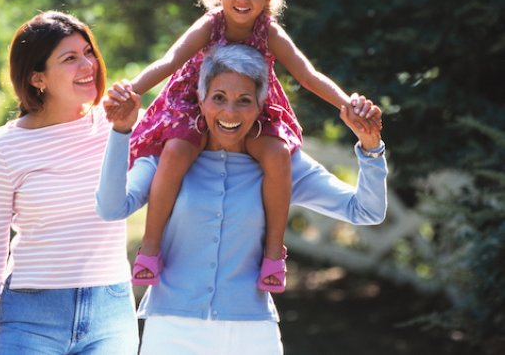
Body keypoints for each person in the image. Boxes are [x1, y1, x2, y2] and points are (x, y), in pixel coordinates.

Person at [107, 0, 380, 291]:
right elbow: (170, 60)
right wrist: (132, 91)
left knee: (279, 153)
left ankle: (273, 253)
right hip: (196, 102)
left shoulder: (269, 31)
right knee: (175, 150)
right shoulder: (210, 24)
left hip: (253, 106)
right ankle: (151, 245)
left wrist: (348, 104)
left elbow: (307, 75)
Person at [97, 43, 387, 355]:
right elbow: (112, 208)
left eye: (244, 100)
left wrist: (371, 148)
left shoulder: (283, 166)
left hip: (252, 334)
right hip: (171, 330)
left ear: (261, 105)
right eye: (218, 98)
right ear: (201, 98)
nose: (230, 112)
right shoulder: (167, 159)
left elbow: (366, 211)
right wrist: (121, 132)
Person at [0, 11, 139, 355]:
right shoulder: (2, 147)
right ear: (37, 78)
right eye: (70, 58)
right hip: (30, 317)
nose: (88, 64)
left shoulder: (120, 125)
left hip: (111, 310)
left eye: (89, 52)